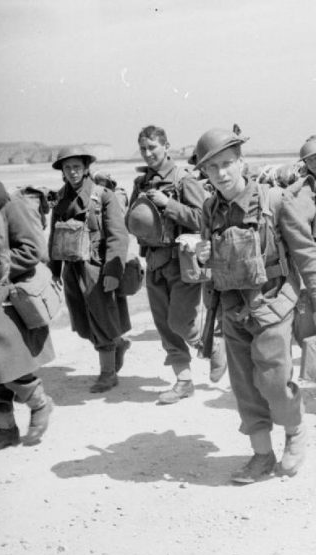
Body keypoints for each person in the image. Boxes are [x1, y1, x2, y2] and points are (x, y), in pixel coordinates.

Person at [188, 128, 316, 483]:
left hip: (273, 305)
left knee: (273, 382)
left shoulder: (275, 201)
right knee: (244, 387)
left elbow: (306, 253)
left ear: (241, 162)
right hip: (232, 309)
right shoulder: (210, 209)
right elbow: (215, 259)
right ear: (204, 174)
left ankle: (295, 432)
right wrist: (203, 253)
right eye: (212, 168)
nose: (221, 174)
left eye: (227, 164)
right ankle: (261, 455)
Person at [127, 125, 219, 403]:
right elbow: (132, 219)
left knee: (179, 321)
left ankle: (213, 347)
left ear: (166, 146)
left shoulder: (183, 180)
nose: (147, 153)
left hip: (182, 262)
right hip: (154, 261)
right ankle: (184, 381)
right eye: (143, 149)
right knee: (165, 327)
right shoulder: (141, 183)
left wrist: (168, 203)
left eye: (152, 147)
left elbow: (204, 219)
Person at [48, 146, 131, 392]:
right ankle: (119, 343)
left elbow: (118, 236)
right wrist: (53, 271)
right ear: (62, 171)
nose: (72, 172)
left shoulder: (102, 195)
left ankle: (108, 374)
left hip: (97, 268)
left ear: (86, 168)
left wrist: (113, 272)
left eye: (76, 167)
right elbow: (54, 237)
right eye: (67, 167)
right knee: (84, 322)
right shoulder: (60, 198)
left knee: (101, 317)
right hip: (72, 269)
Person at [0, 176, 54, 451]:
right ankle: (6, 430)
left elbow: (31, 250)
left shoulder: (8, 205)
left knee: (9, 367)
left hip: (2, 303)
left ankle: (40, 402)